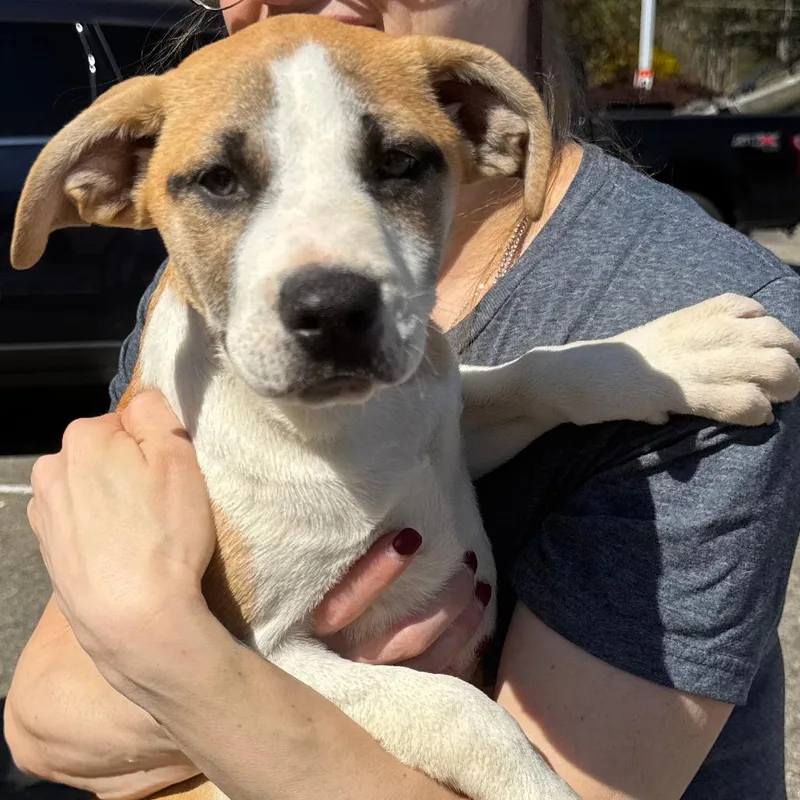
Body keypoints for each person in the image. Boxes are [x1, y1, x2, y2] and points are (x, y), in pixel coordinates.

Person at [5, 0, 800, 798]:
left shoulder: (687, 288)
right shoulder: (180, 324)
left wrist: (168, 662)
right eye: (220, 179)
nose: (322, 286)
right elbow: (45, 719)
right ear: (118, 177)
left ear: (486, 126)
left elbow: (110, 700)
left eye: (394, 165)